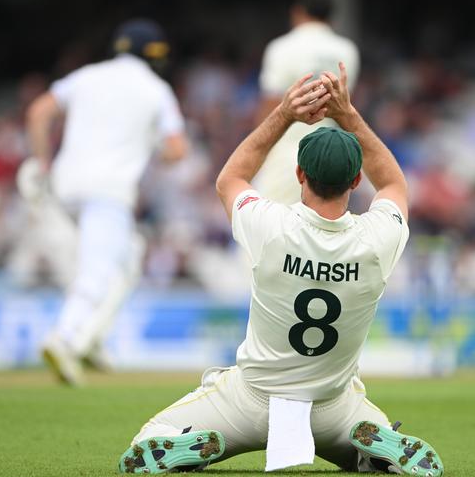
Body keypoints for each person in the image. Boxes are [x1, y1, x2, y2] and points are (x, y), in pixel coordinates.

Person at [118, 64, 443, 476]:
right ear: (356, 179)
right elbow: (395, 185)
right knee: (365, 438)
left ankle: (186, 443)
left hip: (251, 400)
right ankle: (371, 450)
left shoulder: (271, 228)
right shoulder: (377, 241)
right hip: (332, 407)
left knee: (152, 435)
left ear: (299, 174)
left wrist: (284, 113)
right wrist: (347, 113)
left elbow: (230, 178)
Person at [23, 19, 187, 385]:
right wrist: (149, 143)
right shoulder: (156, 89)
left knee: (128, 254)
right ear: (154, 56)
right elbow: (177, 150)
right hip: (109, 191)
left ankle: (92, 337)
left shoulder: (86, 76)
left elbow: (38, 113)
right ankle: (64, 338)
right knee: (97, 271)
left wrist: (41, 161)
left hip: (64, 185)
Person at [253, 0, 360, 205]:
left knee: (270, 221)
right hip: (332, 150)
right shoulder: (347, 50)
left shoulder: (281, 47)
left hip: (286, 147)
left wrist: (257, 149)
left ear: (298, 12)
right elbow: (346, 107)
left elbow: (270, 105)